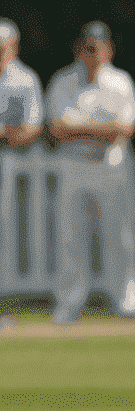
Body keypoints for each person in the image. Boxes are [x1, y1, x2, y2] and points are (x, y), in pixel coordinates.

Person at [44, 21, 135, 325]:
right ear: (79, 49)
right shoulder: (63, 81)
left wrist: (80, 128)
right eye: (88, 47)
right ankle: (70, 302)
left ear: (109, 50)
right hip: (74, 166)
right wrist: (99, 129)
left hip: (111, 166)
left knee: (120, 235)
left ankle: (126, 302)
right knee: (71, 235)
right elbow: (57, 128)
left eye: (98, 47)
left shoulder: (121, 82)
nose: (93, 53)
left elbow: (124, 129)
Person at [0, 20, 44, 290]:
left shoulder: (25, 79)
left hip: (14, 163)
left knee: (9, 231)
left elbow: (31, 127)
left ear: (14, 48)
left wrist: (5, 134)